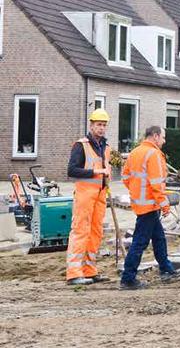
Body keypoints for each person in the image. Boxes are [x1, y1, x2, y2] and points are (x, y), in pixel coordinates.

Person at [119, 126, 180, 290]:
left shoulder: (135, 152)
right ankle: (128, 278)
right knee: (140, 242)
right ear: (155, 136)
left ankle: (166, 269)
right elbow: (156, 184)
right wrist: (165, 205)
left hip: (142, 203)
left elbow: (125, 178)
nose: (164, 140)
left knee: (159, 237)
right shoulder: (153, 154)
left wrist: (137, 192)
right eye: (163, 137)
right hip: (150, 204)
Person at [65, 109, 113, 285]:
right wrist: (96, 172)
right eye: (99, 125)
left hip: (100, 196)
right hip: (85, 195)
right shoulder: (81, 145)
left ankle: (89, 270)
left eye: (104, 125)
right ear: (91, 125)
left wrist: (107, 179)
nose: (101, 128)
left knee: (95, 233)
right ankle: (74, 273)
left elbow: (105, 169)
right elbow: (71, 170)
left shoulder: (106, 148)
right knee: (80, 231)